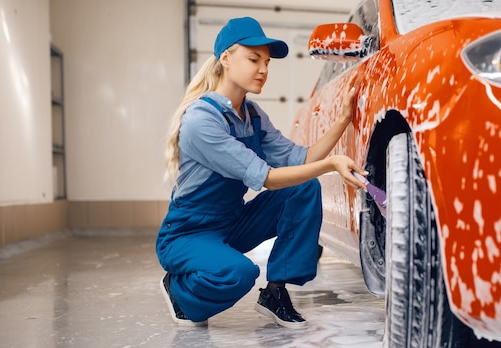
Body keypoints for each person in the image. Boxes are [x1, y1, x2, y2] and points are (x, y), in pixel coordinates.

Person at [156, 16, 366, 329]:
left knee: (303, 188)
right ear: (225, 58)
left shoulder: (252, 115)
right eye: (254, 59)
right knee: (238, 273)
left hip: (232, 223)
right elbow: (266, 177)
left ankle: (276, 292)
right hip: (189, 234)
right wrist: (331, 166)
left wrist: (342, 120)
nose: (264, 70)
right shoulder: (202, 120)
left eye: (267, 62)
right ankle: (179, 289)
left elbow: (299, 158)